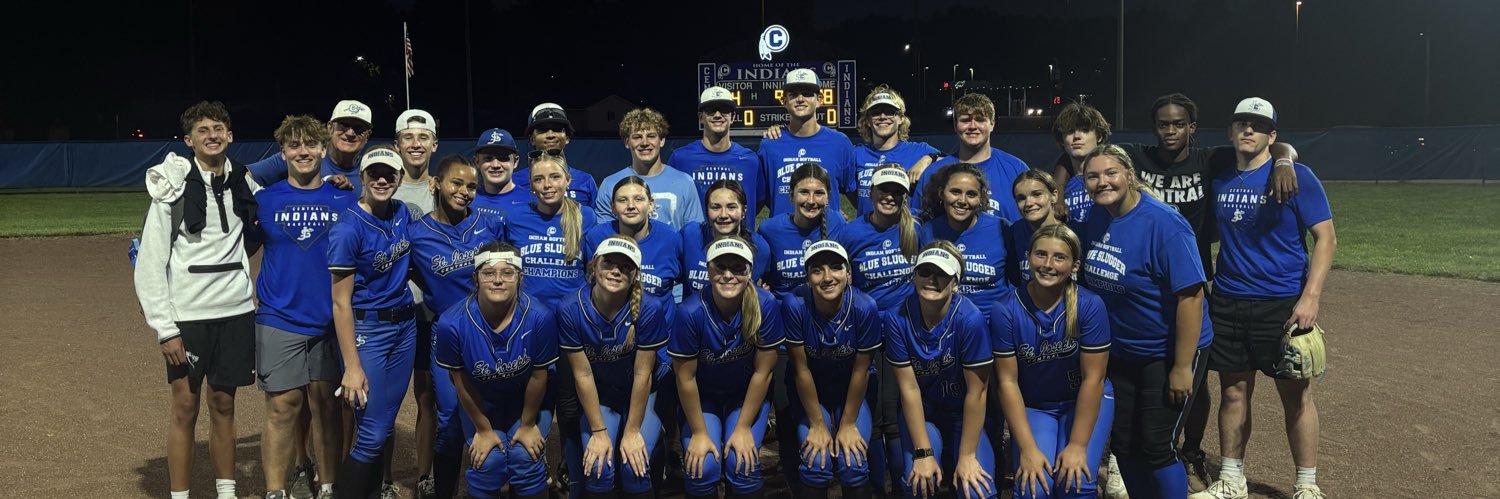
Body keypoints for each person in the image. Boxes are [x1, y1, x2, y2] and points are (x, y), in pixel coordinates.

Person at [1192, 98, 1336, 499]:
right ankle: (1232, 479)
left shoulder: (1296, 176)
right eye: (1241, 123)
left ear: (1273, 136)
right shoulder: (1219, 178)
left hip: (1282, 302)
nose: (1248, 130)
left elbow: (1326, 238)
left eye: (1258, 125)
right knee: (1234, 392)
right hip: (1230, 298)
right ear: (1231, 131)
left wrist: (1310, 298)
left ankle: (1307, 485)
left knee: (1296, 395)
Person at [135, 100, 261, 499]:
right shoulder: (172, 188)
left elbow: (284, 198)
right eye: (203, 130)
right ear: (189, 140)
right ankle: (180, 495)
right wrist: (164, 328)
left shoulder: (244, 181)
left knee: (224, 406)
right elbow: (150, 262)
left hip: (237, 311)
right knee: (185, 409)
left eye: (219, 128)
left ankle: (226, 493)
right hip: (187, 318)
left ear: (230, 135)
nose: (212, 135)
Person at [1076, 145, 1212, 499]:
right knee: (1123, 443)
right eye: (1093, 176)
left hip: (1166, 350)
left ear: (1130, 175)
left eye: (1110, 173)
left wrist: (1182, 366)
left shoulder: (1165, 224)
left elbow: (1191, 297)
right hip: (1122, 350)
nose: (1102, 182)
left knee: (1155, 445)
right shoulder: (1097, 215)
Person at [252, 115, 351, 499]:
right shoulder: (265, 199)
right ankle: (276, 490)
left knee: (327, 406)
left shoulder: (344, 197)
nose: (303, 151)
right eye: (294, 146)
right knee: (283, 406)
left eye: (310, 145)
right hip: (279, 317)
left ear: (323, 150)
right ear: (283, 153)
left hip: (330, 320)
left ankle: (328, 486)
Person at [408, 154, 509, 498]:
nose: (465, 191)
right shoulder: (417, 234)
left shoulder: (489, 225)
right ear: (436, 184)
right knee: (449, 418)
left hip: (492, 332)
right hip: (447, 334)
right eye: (457, 183)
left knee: (498, 407)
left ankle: (498, 484)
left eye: (471, 186)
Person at [990, 224, 1113, 499]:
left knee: (1075, 484)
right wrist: (1028, 450)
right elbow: (1007, 382)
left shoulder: (1089, 305)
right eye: (1040, 254)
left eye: (1059, 257)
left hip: (1083, 398)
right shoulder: (1005, 308)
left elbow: (1093, 379)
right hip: (1036, 406)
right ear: (1028, 257)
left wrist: (1078, 445)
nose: (1048, 264)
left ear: (1074, 265)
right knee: (1032, 486)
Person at [328, 146, 418, 499]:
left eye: (389, 174)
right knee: (372, 432)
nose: (382, 180)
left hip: (405, 328)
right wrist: (351, 366)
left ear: (398, 178)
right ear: (361, 178)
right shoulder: (348, 228)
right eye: (374, 173)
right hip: (369, 331)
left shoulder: (401, 213)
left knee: (383, 425)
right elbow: (340, 302)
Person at [433, 243, 557, 499]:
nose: (498, 280)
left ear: (520, 277)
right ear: (475, 277)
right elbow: (461, 383)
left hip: (528, 403)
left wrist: (527, 424)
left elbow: (538, 376)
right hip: (482, 404)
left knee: (526, 457)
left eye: (508, 273)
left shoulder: (540, 317)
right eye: (488, 273)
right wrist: (484, 429)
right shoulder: (452, 323)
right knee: (487, 462)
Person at [668, 238, 784, 499]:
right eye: (720, 267)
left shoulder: (765, 305)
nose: (729, 275)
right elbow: (685, 378)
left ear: (750, 272)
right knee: (701, 467)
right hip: (703, 398)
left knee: (742, 465)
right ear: (708, 270)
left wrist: (743, 428)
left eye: (738, 268)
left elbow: (762, 372)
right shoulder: (690, 312)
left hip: (744, 396)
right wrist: (698, 432)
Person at [830, 164, 921, 494]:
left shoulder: (916, 229)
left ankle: (903, 486)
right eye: (883, 189)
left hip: (908, 334)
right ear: (870, 194)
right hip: (867, 336)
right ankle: (876, 488)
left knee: (897, 417)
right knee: (880, 419)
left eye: (897, 192)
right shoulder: (851, 233)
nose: (889, 196)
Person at [558, 237, 671, 498]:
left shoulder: (649, 308)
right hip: (600, 392)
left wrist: (632, 432)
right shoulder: (570, 307)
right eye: (609, 263)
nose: (616, 271)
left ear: (635, 276)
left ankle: (658, 451)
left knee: (635, 467)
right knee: (599, 468)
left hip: (642, 391)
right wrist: (598, 432)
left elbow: (643, 374)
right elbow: (582, 374)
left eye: (626, 266)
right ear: (594, 266)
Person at [884, 242, 997, 499]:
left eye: (941, 273)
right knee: (918, 481)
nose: (932, 280)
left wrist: (967, 456)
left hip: (962, 413)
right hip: (923, 413)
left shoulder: (971, 319)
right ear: (915, 276)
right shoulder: (896, 317)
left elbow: (977, 394)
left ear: (955, 282)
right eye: (925, 272)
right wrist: (923, 453)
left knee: (977, 488)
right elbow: (909, 388)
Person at [781, 240, 882, 499]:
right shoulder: (794, 305)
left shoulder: (865, 307)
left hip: (852, 389)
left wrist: (847, 424)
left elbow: (861, 371)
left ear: (848, 273)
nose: (828, 277)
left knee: (853, 461)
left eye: (836, 268)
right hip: (811, 389)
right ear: (807, 277)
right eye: (817, 270)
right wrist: (817, 424)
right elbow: (800, 369)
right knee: (816, 461)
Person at [390, 108, 441, 498]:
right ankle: (385, 479)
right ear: (397, 145)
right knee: (385, 400)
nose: (416, 144)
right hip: (390, 313)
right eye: (408, 137)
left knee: (427, 395)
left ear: (434, 144)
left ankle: (425, 476)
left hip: (430, 311)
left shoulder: (443, 189)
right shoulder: (380, 186)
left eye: (423, 137)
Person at [911, 93, 1030, 222]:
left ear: (992, 124)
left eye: (980, 119)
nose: (973, 126)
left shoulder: (1016, 169)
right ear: (955, 125)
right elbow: (917, 223)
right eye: (965, 120)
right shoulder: (934, 173)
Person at [757, 68, 858, 218]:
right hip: (782, 238)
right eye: (793, 94)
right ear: (784, 101)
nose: (800, 99)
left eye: (807, 93)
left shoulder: (840, 143)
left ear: (819, 100)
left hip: (826, 236)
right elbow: (763, 197)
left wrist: (836, 217)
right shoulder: (770, 144)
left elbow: (855, 194)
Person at [917, 162, 1012, 318]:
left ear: (981, 198)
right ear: (941, 193)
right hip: (947, 324)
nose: (962, 200)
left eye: (971, 194)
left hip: (993, 323)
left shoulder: (1002, 228)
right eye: (955, 192)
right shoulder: (928, 231)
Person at [504, 151, 597, 305]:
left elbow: (592, 270)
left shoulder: (586, 216)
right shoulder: (516, 217)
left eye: (555, 177)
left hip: (572, 311)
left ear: (568, 180)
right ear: (531, 185)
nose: (547, 185)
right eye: (538, 179)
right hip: (528, 312)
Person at [594, 107, 704, 230]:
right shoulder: (610, 184)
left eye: (651, 136)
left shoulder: (684, 182)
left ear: (662, 141)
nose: (645, 143)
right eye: (637, 137)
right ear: (627, 142)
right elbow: (605, 234)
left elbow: (693, 233)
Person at [670, 87, 766, 222]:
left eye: (724, 110)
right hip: (696, 241)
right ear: (701, 117)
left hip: (738, 240)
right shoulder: (680, 158)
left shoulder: (750, 160)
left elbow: (758, 202)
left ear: (732, 117)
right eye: (710, 110)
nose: (717, 115)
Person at [584, 176, 683, 299]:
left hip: (660, 317)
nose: (631, 205)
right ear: (612, 207)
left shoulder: (671, 238)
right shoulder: (597, 237)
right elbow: (589, 282)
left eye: (639, 199)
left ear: (651, 205)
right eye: (622, 200)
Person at [759, 162, 846, 293]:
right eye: (804, 192)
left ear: (828, 198)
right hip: (782, 309)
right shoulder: (769, 230)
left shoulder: (837, 222)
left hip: (824, 308)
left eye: (819, 193)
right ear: (791, 195)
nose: (811, 200)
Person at [248, 99, 371, 192]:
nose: (350, 133)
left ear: (368, 135)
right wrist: (260, 201)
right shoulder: (301, 157)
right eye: (344, 125)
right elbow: (242, 175)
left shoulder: (372, 170)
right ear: (330, 127)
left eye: (359, 128)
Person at [852, 86, 938, 216]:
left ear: (900, 118)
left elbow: (956, 161)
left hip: (907, 232)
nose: (882, 116)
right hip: (867, 233)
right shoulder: (856, 154)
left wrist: (929, 159)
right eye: (875, 112)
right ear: (868, 121)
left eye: (889, 112)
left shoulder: (919, 151)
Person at [681, 180, 771, 294]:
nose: (723, 215)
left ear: (743, 210)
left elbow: (766, 286)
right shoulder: (690, 235)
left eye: (731, 207)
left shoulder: (759, 248)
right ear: (706, 210)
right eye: (715, 207)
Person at [517, 103, 598, 206]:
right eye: (542, 130)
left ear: (567, 137)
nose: (551, 135)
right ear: (532, 139)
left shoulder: (585, 180)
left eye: (557, 129)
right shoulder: (515, 181)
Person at [1046, 102, 1108, 226]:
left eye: (1085, 130)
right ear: (1062, 140)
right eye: (1070, 131)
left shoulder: (1113, 178)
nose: (1077, 136)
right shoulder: (1053, 189)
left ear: (1099, 136)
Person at [1008, 170, 1066, 286]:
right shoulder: (1015, 232)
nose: (1028, 203)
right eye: (1021, 198)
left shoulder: (1074, 233)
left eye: (1037, 194)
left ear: (1054, 195)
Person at [470, 128, 534, 215]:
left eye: (503, 158)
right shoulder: (467, 200)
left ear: (515, 162)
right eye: (488, 158)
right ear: (477, 162)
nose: (495, 165)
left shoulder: (533, 202)